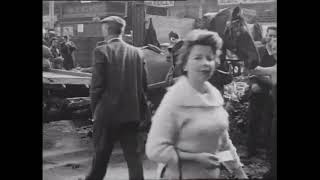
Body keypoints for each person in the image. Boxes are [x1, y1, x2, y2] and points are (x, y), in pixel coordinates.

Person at [146, 29, 248, 179]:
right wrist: (195, 158)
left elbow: (223, 144)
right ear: (185, 64)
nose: (205, 63)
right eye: (198, 57)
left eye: (209, 58)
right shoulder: (174, 99)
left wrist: (239, 172)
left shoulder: (214, 98)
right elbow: (155, 149)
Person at [83, 16, 147, 180]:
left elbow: (96, 87)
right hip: (132, 114)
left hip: (107, 116)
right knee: (134, 160)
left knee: (100, 160)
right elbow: (143, 86)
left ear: (106, 29)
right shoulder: (137, 53)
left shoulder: (101, 51)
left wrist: (95, 111)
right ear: (122, 30)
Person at [247, 26, 277, 157]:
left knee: (268, 123)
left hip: (271, 93)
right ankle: (250, 150)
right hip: (257, 90)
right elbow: (250, 70)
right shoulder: (258, 50)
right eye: (270, 35)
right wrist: (254, 83)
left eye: (275, 36)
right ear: (266, 35)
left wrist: (263, 79)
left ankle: (268, 151)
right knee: (253, 121)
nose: (271, 39)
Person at [251, 37, 277, 179]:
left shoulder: (274, 70)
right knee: (273, 145)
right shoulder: (273, 69)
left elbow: (256, 71)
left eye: (275, 47)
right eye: (273, 47)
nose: (273, 50)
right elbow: (256, 71)